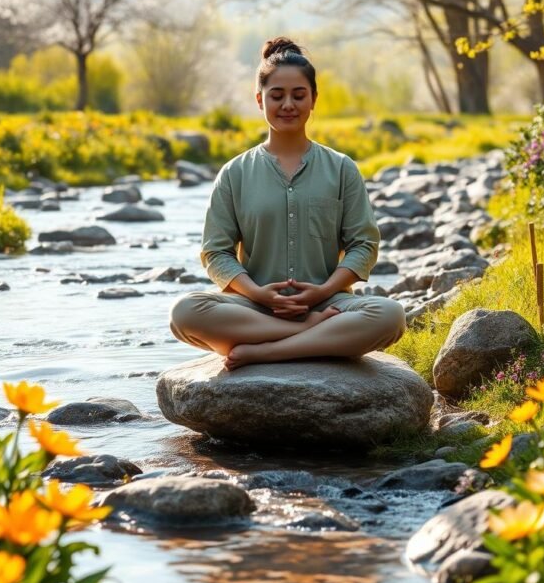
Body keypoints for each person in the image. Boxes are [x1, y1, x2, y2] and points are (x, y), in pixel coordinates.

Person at [170, 37, 406, 370]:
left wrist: (322, 291)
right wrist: (257, 294)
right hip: (252, 309)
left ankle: (267, 351)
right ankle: (308, 335)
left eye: (298, 95)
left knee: (390, 316)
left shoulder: (341, 168)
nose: (288, 105)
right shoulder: (234, 173)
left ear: (313, 99)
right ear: (259, 99)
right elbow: (215, 252)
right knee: (184, 313)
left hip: (329, 305)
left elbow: (364, 244)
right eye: (276, 96)